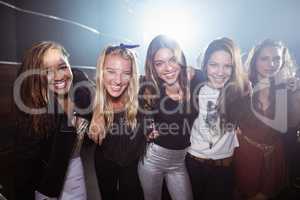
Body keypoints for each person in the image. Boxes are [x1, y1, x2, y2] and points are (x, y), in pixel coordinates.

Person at [14, 41, 100, 199]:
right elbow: (24, 168)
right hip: (46, 183)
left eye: (62, 67)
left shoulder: (79, 87)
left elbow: (85, 80)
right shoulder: (33, 114)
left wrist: (98, 115)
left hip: (74, 167)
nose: (59, 75)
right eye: (46, 71)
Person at [138, 35, 204, 200]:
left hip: (179, 162)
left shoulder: (197, 78)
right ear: (152, 66)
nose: (167, 68)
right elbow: (143, 119)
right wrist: (148, 129)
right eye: (159, 63)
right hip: (153, 161)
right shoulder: (149, 90)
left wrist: (244, 84)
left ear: (180, 59)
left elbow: (224, 78)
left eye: (172, 60)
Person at [234, 39, 300, 199]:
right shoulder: (241, 85)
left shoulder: (287, 89)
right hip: (245, 154)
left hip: (273, 155)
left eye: (276, 59)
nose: (271, 64)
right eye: (265, 58)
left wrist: (297, 93)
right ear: (255, 60)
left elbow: (293, 124)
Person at [185, 37, 249, 200]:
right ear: (205, 65)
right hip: (193, 164)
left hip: (223, 169)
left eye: (227, 66)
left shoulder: (241, 91)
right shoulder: (194, 85)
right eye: (214, 65)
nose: (220, 72)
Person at [89, 44, 148, 200]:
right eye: (111, 71)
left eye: (126, 73)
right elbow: (76, 76)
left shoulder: (142, 92)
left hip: (133, 164)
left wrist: (191, 72)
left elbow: (169, 76)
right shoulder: (91, 96)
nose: (118, 80)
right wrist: (98, 111)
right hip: (105, 161)